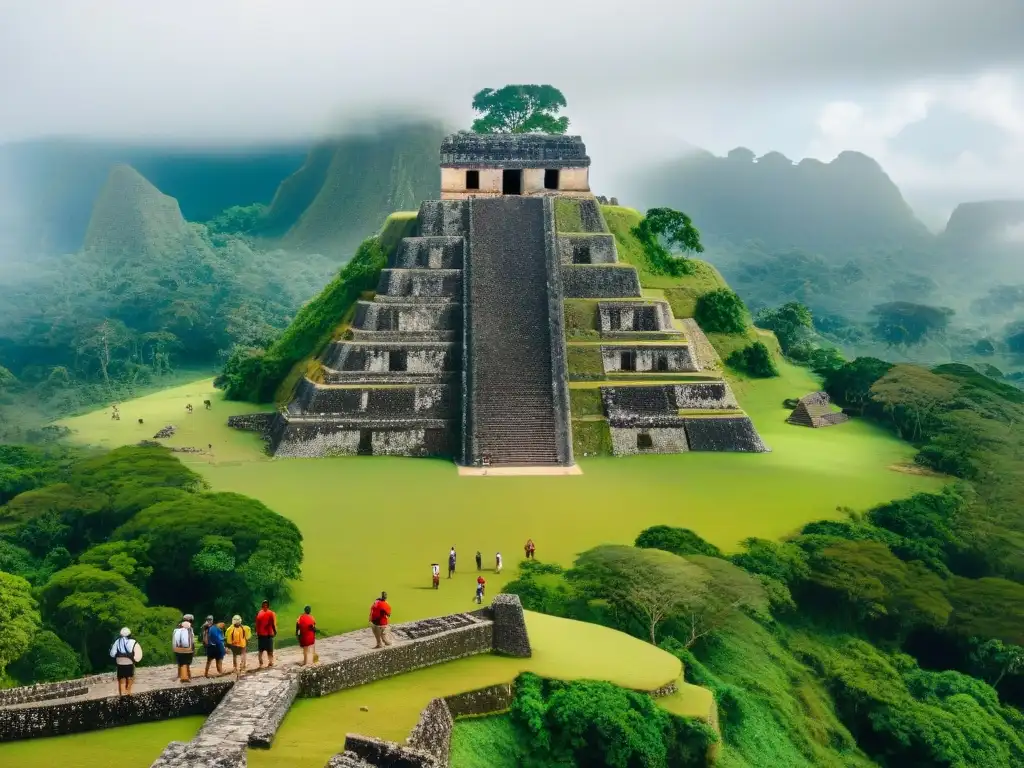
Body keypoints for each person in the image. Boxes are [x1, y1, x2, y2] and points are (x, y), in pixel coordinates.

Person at [109, 627, 142, 696]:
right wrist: (135, 659)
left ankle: (122, 693)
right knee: (130, 677)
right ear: (130, 634)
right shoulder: (133, 642)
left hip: (120, 663)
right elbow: (138, 654)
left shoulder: (117, 642)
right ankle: (128, 690)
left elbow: (112, 654)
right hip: (129, 663)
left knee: (122, 679)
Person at [255, 600, 277, 668]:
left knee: (261, 650)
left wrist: (257, 632)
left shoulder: (260, 613)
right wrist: (275, 631)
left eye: (265, 604)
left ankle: (262, 663)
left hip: (263, 634)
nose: (265, 606)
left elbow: (257, 624)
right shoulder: (270, 613)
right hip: (267, 634)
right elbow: (272, 623)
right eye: (264, 604)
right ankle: (269, 662)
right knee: (269, 650)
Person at [172, 619, 195, 684]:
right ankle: (186, 677)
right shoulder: (189, 631)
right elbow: (190, 643)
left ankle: (181, 676)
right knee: (185, 664)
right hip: (187, 651)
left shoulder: (176, 631)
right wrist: (192, 650)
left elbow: (174, 642)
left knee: (181, 664)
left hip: (177, 651)